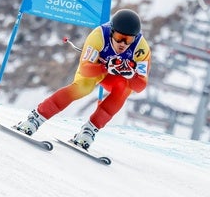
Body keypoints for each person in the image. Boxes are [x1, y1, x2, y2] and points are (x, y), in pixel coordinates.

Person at [16, 9, 151, 150]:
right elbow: (85, 69)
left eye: (128, 40)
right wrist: (105, 68)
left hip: (116, 77)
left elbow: (140, 86)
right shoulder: (99, 36)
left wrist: (132, 75)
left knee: (124, 91)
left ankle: (89, 131)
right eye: (118, 37)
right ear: (112, 32)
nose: (122, 43)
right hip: (96, 68)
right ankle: (35, 118)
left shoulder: (141, 48)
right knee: (83, 87)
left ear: (135, 38)